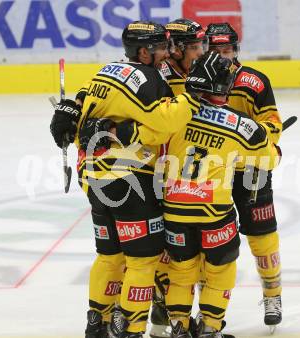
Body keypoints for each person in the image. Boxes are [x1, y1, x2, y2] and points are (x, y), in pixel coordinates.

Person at [49, 21, 218, 338]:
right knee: (143, 260)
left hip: (93, 176)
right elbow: (166, 123)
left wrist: (68, 110)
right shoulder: (150, 79)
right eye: (161, 48)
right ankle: (130, 329)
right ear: (144, 51)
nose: (167, 53)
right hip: (129, 180)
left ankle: (96, 324)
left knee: (110, 255)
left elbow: (81, 109)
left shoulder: (106, 70)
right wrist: (192, 97)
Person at [113, 51, 280, 338]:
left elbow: (141, 136)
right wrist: (269, 150)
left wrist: (109, 128)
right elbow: (266, 160)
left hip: (175, 211)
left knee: (181, 269)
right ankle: (209, 328)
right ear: (225, 86)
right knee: (221, 269)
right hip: (214, 213)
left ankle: (179, 324)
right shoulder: (242, 125)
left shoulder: (175, 117)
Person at [205, 23, 284, 330]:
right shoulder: (196, 81)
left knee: (262, 238)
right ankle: (208, 308)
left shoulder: (253, 81)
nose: (222, 57)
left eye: (226, 51)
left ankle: (273, 295)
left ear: (235, 51)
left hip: (252, 173)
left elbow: (272, 125)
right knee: (209, 244)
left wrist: (252, 138)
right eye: (215, 51)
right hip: (212, 175)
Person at [150, 17, 208, 338]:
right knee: (166, 249)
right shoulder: (158, 75)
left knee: (195, 251)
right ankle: (164, 302)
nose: (201, 52)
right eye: (196, 46)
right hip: (161, 172)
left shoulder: (195, 71)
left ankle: (175, 309)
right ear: (177, 48)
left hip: (193, 170)